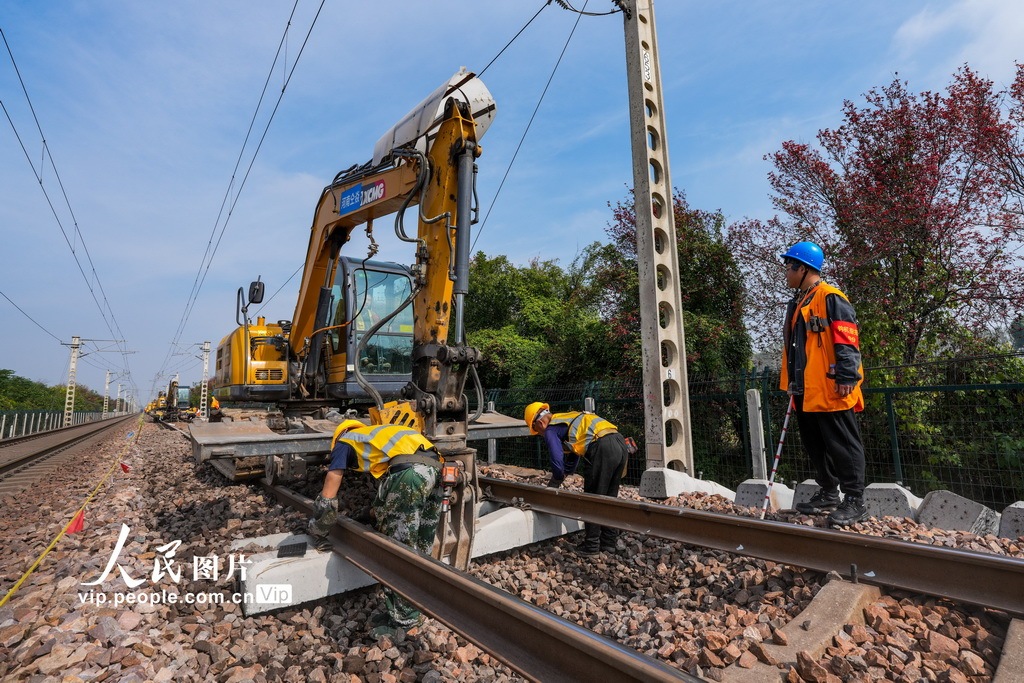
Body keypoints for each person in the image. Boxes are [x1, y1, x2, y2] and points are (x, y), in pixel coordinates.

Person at [308, 420, 443, 637]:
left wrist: (319, 526)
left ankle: (403, 623)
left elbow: (329, 491)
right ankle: (415, 607)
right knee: (420, 545)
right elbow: (388, 492)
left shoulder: (345, 442)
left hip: (409, 475)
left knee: (397, 548)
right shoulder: (378, 436)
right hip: (437, 471)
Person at [779, 241, 868, 527]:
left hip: (832, 386)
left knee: (843, 444)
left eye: (789, 267)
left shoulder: (831, 297)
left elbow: (847, 339)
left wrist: (846, 376)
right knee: (815, 444)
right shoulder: (800, 301)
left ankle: (855, 500)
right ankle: (829, 492)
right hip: (805, 388)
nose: (786, 273)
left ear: (802, 268)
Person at [523, 402, 628, 555]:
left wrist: (557, 479)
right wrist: (567, 472)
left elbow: (556, 457)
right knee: (609, 497)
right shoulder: (567, 418)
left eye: (536, 430)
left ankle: (591, 546)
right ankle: (608, 543)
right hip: (619, 442)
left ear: (539, 423)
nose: (539, 434)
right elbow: (575, 451)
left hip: (602, 447)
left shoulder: (551, 430)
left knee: (592, 498)